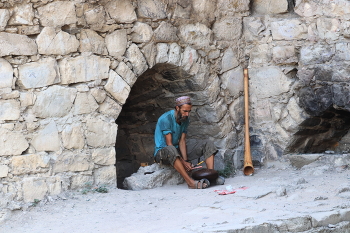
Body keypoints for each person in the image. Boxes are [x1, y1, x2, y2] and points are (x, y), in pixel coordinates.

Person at [153, 96, 224, 189]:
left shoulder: (185, 119)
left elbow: (182, 141)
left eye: (189, 111)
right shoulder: (166, 119)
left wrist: (186, 161)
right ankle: (190, 183)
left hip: (176, 149)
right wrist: (183, 163)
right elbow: (169, 144)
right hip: (162, 152)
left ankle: (210, 177)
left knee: (208, 143)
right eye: (185, 111)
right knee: (171, 149)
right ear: (177, 108)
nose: (187, 114)